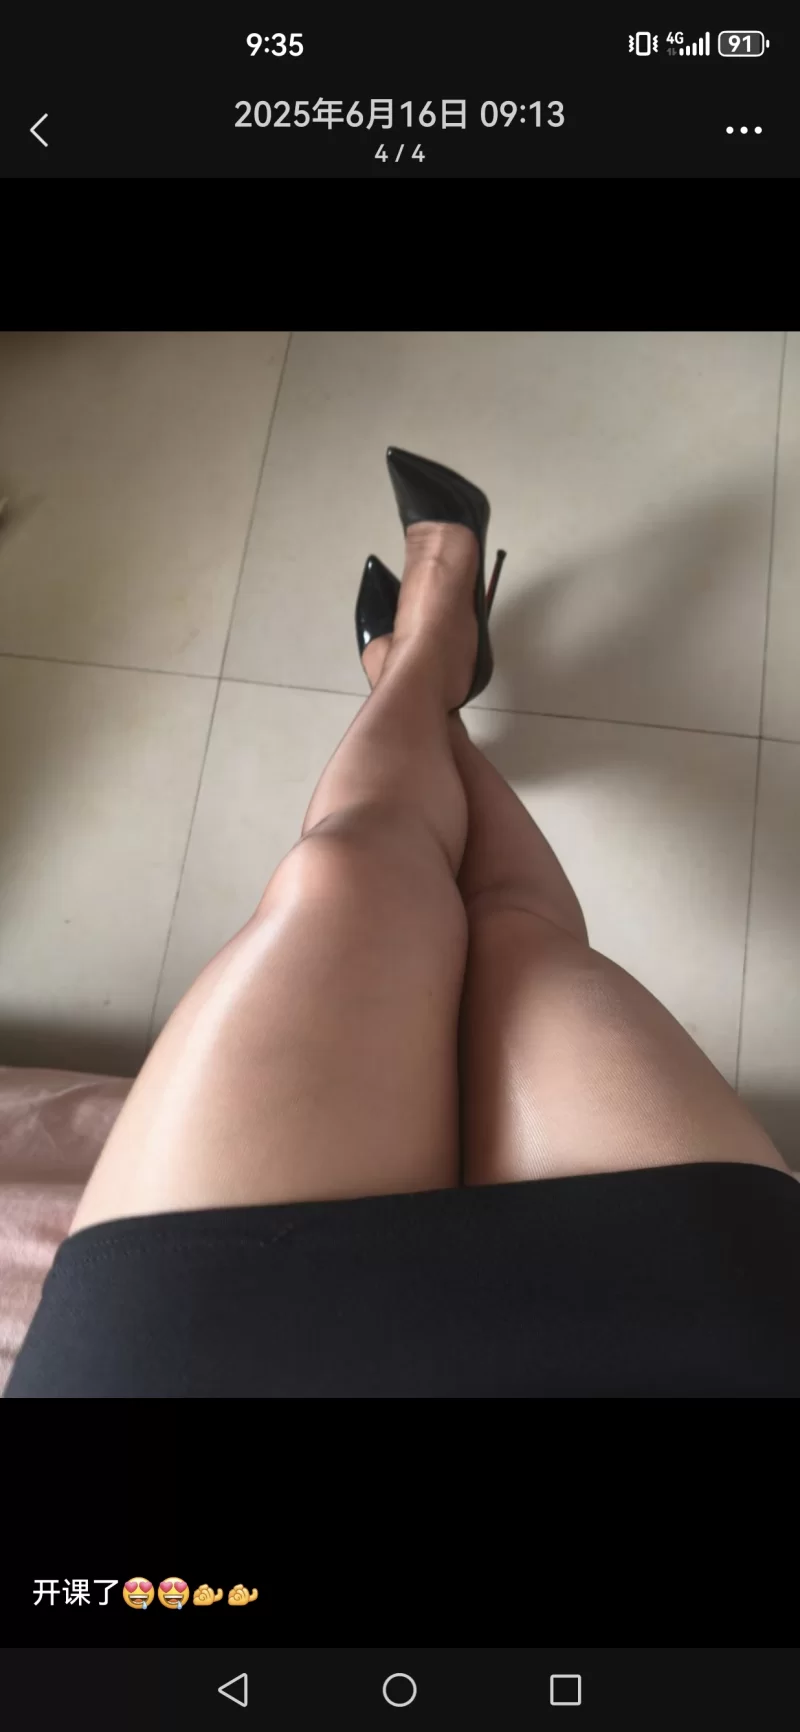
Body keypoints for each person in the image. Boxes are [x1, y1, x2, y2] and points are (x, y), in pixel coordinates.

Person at [7, 447, 800, 1397]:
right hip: (685, 1344)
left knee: (344, 869)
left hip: (206, 1355)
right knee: (515, 942)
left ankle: (419, 667)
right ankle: (425, 664)